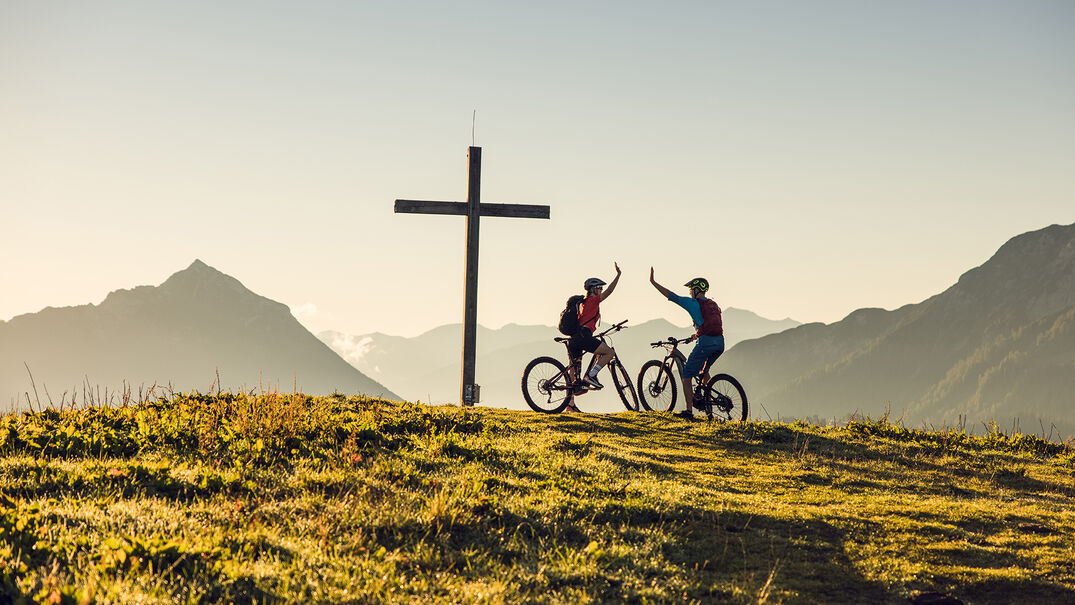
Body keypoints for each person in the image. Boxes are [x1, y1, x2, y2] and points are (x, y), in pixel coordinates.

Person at [648, 268, 724, 419]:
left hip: (706, 343)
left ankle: (689, 411)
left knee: (687, 374)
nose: (689, 292)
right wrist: (695, 336)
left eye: (690, 289)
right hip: (720, 343)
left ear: (696, 290)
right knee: (704, 371)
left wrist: (653, 282)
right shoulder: (712, 304)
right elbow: (707, 325)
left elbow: (671, 296)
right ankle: (708, 406)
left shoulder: (692, 303)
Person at [564, 263, 622, 411]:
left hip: (575, 339)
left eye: (601, 288)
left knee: (573, 372)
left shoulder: (582, 304)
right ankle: (591, 375)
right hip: (583, 336)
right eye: (599, 288)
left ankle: (569, 405)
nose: (601, 290)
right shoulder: (593, 300)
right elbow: (610, 291)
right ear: (593, 289)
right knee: (609, 352)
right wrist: (618, 275)